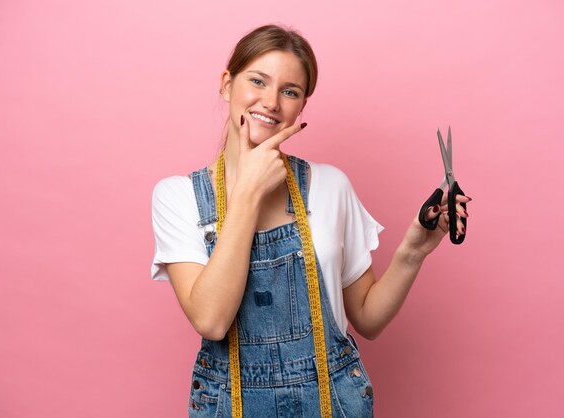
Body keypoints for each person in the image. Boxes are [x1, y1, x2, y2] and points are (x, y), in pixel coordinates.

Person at [150, 24, 470, 417]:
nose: (270, 102)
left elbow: (367, 319)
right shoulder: (178, 197)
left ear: (301, 107)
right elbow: (211, 320)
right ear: (226, 84)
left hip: (333, 403)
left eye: (290, 91)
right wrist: (248, 191)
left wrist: (413, 251)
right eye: (257, 81)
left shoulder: (330, 186)